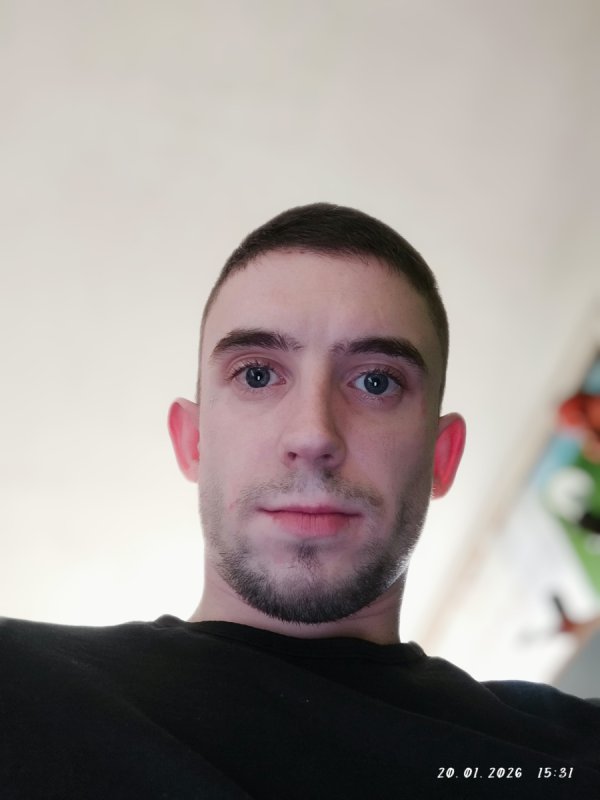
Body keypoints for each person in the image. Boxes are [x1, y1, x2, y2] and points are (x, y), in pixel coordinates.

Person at [1, 203, 598, 799]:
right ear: (193, 442)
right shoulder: (17, 694)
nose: (313, 436)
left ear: (442, 456)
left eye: (376, 381)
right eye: (257, 375)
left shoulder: (569, 758)